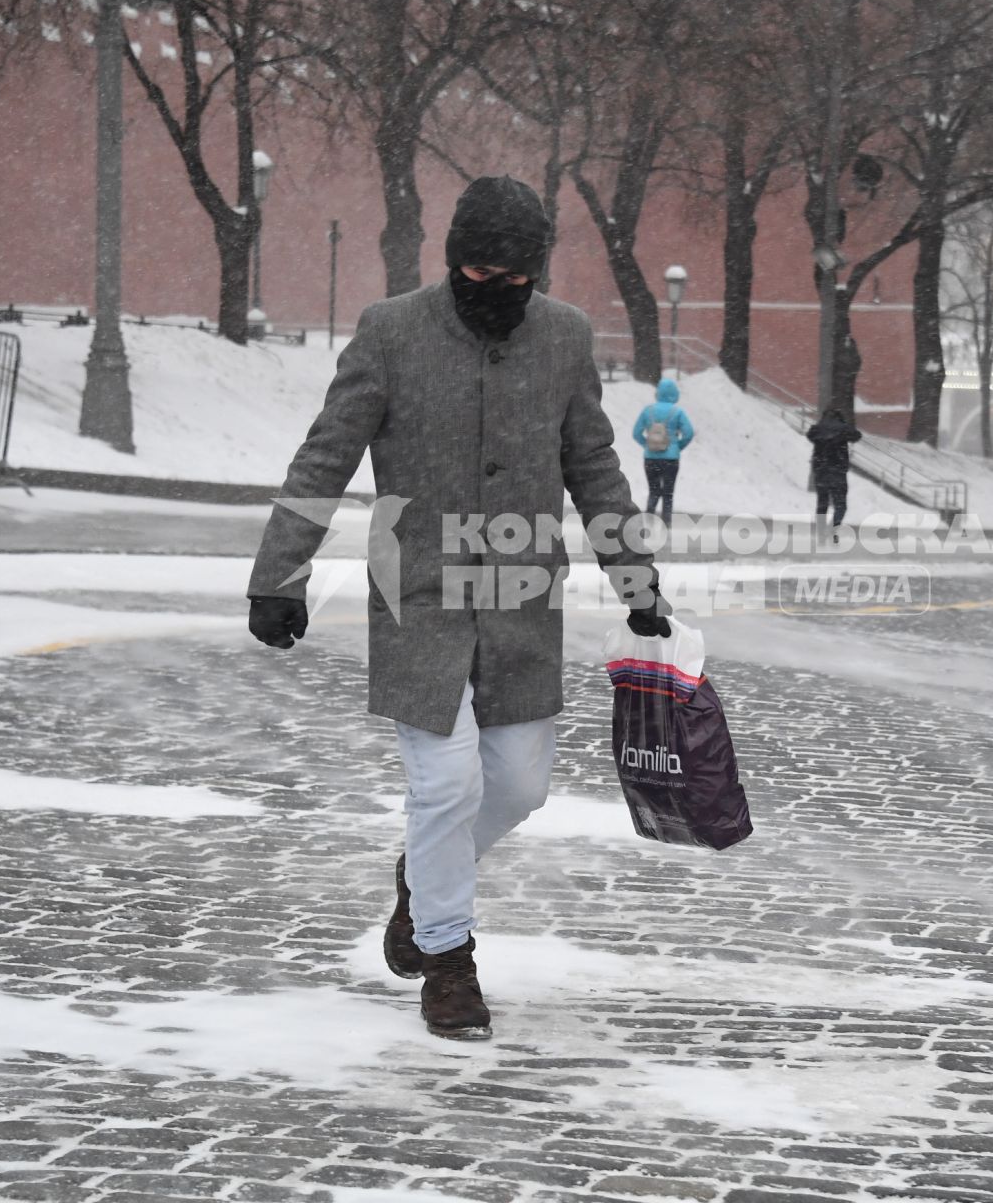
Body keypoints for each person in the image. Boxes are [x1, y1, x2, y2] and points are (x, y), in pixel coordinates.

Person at [245, 175, 671, 1042]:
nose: (495, 292)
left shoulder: (563, 339)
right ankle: (447, 959)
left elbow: (594, 467)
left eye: (514, 280)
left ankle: (421, 883)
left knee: (517, 787)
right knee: (444, 785)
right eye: (478, 274)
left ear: (536, 275)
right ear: (451, 262)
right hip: (420, 598)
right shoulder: (392, 331)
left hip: (521, 601)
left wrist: (637, 578)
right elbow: (324, 458)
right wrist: (277, 575)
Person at [632, 377, 694, 526]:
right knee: (668, 493)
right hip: (671, 459)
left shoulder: (648, 411)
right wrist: (677, 447)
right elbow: (689, 433)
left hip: (650, 458)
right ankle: (666, 524)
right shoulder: (677, 412)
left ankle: (648, 522)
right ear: (674, 393)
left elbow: (636, 433)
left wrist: (648, 445)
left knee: (653, 491)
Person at [806, 407, 863, 541]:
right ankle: (833, 530)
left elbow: (810, 435)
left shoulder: (817, 429)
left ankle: (821, 533)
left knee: (822, 503)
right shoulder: (843, 429)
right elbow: (857, 436)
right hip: (838, 472)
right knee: (841, 506)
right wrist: (842, 429)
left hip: (821, 471)